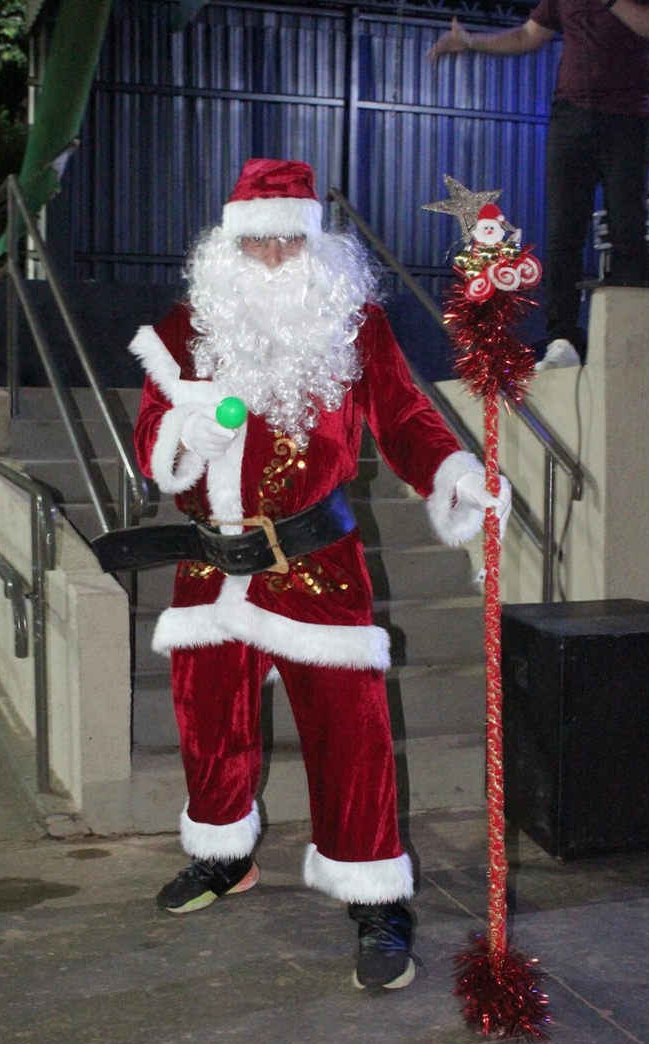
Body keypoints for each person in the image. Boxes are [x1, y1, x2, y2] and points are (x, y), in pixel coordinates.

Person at [131, 157, 511, 991]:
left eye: (289, 240)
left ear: (316, 243)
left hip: (316, 563)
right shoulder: (188, 326)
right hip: (210, 562)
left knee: (351, 733)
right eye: (257, 241)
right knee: (208, 721)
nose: (272, 256)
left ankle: (374, 894)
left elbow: (404, 416)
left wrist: (452, 471)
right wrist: (184, 434)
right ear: (229, 246)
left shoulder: (354, 323)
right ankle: (224, 854)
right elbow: (150, 429)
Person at [429, 0, 649, 370]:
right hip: (570, 116)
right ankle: (563, 340)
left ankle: (628, 339)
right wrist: (471, 41)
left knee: (627, 230)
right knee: (563, 233)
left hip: (629, 118)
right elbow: (529, 35)